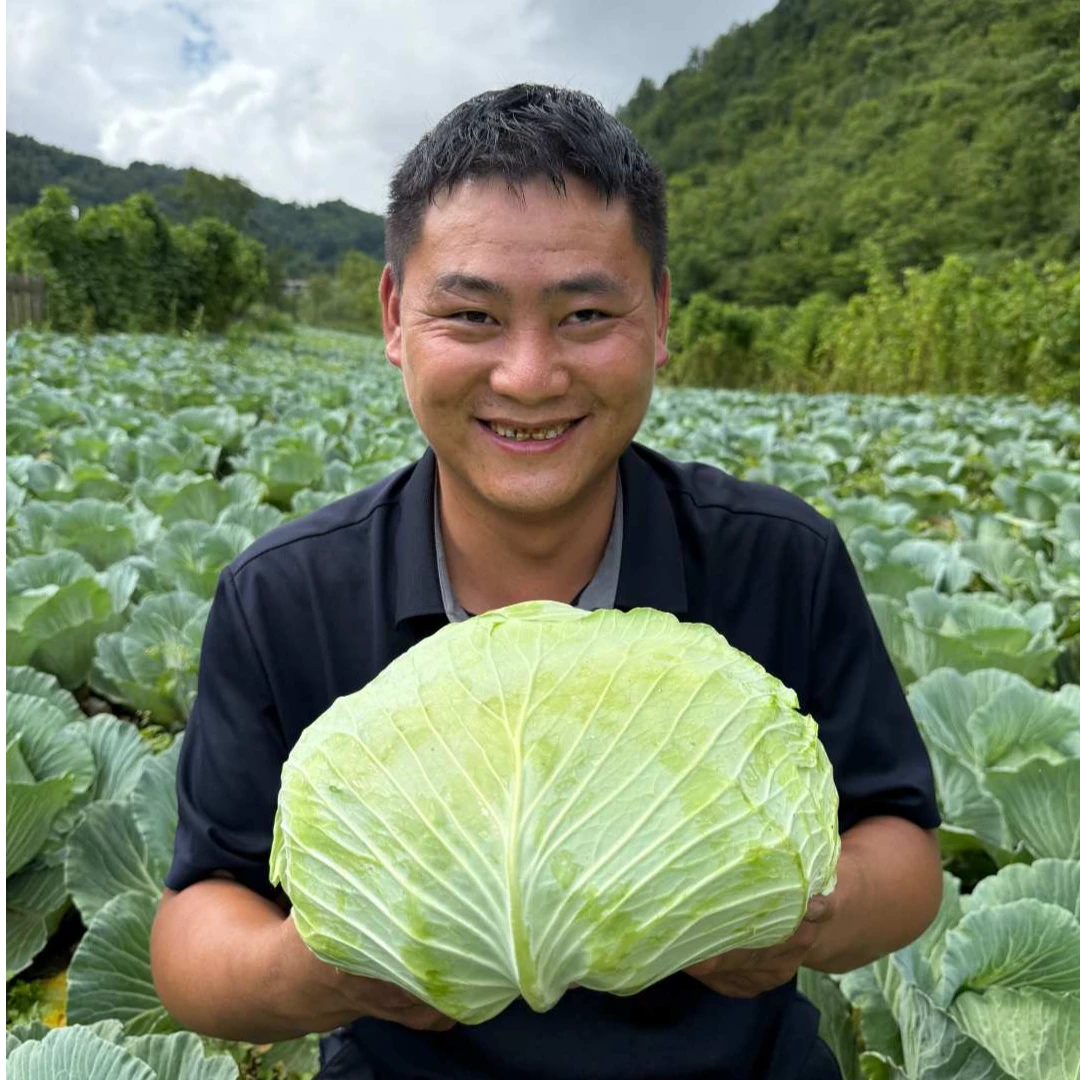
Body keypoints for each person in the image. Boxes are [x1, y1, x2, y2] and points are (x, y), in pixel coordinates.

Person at [149, 84, 942, 1080]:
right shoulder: (285, 593)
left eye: (584, 314)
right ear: (396, 317)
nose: (529, 374)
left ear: (658, 317)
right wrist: (324, 971)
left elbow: (902, 850)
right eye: (472, 314)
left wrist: (806, 917)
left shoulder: (777, 557)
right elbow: (196, 926)